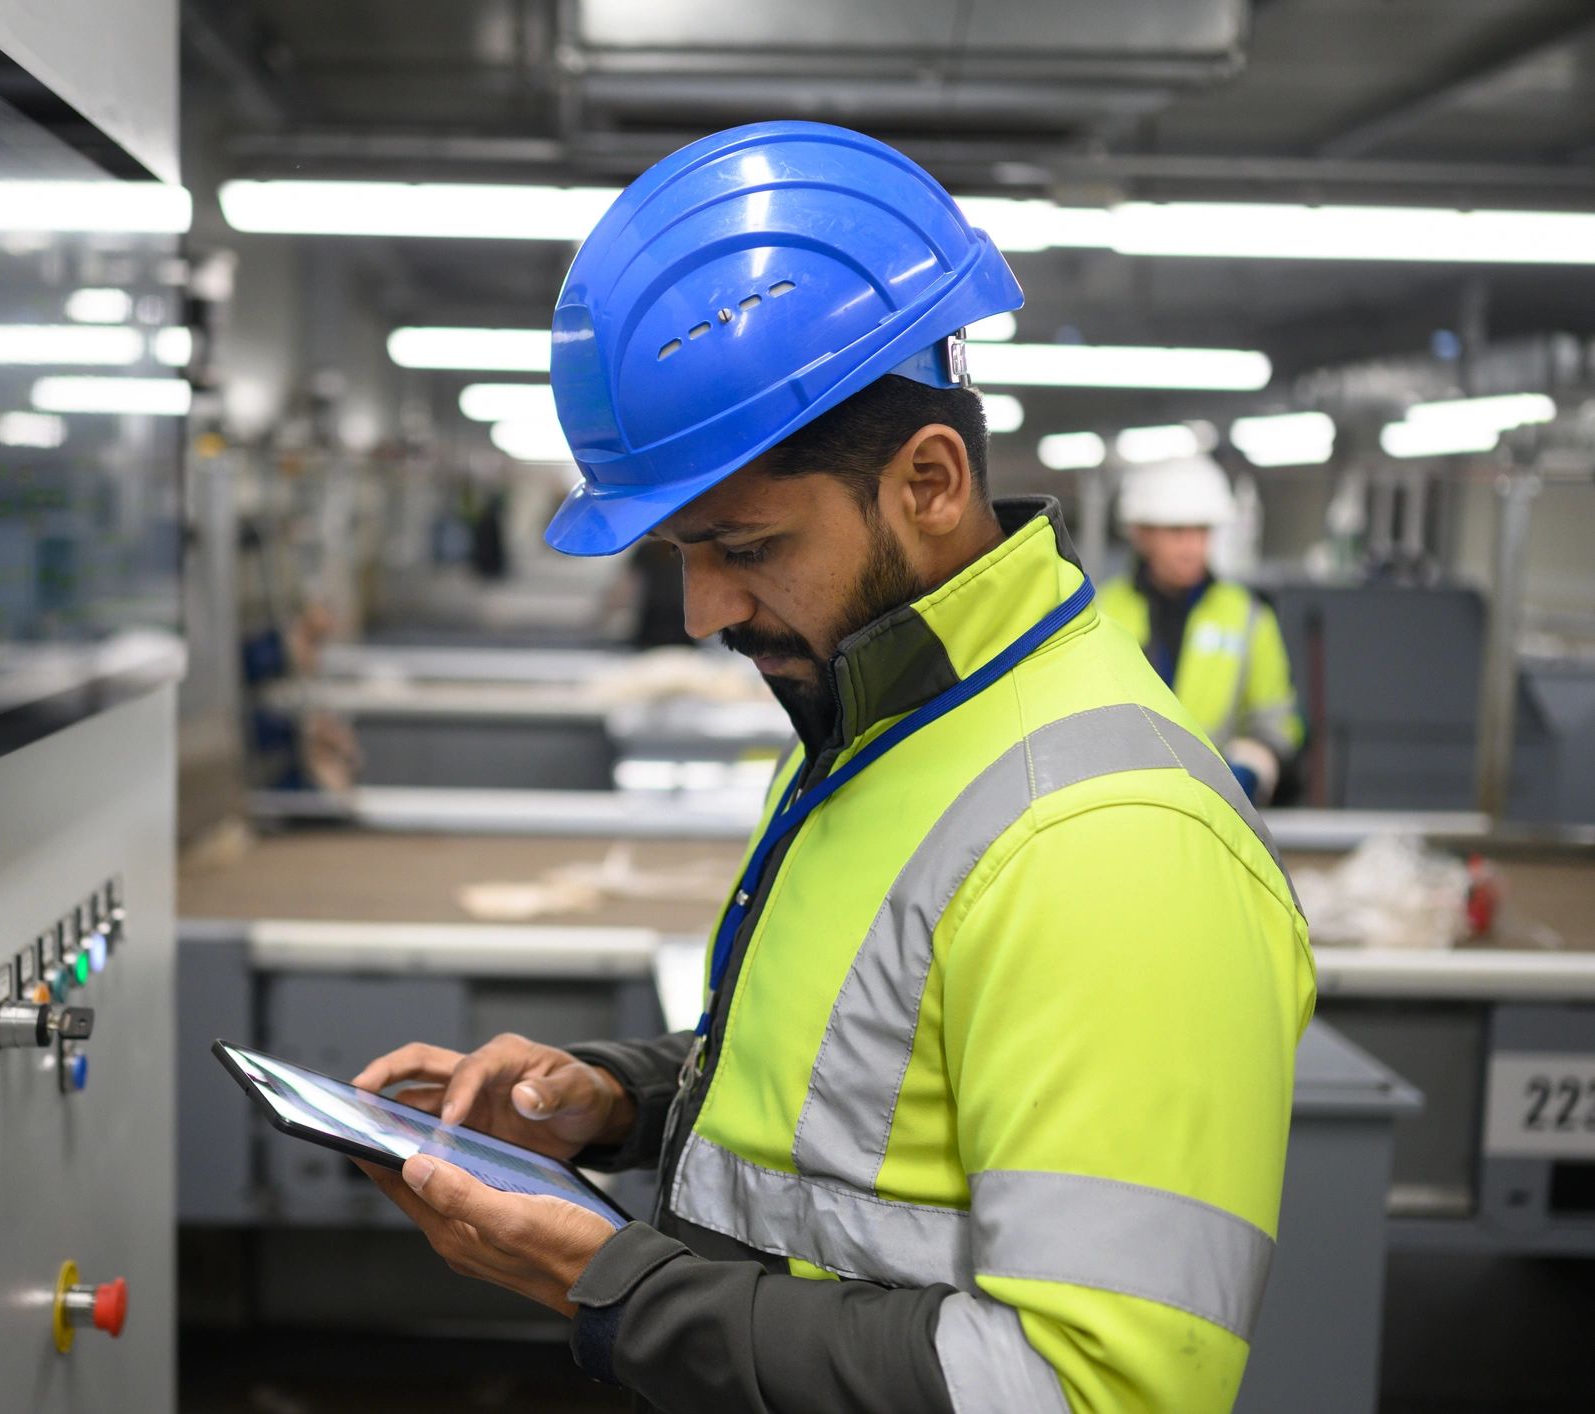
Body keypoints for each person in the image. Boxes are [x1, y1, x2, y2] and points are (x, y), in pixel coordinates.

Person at [353, 121, 1315, 1413]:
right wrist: (622, 1100)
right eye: (679, 549)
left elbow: (1092, 1389)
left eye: (741, 544)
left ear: (928, 481)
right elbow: (861, 1092)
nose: (699, 608)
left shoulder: (1111, 839)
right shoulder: (882, 717)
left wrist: (624, 1285)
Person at [1096, 457, 1305, 804]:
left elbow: (1277, 726)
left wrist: (1251, 770)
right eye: (1177, 531)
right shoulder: (1101, 611)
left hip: (1216, 806)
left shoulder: (1249, 617)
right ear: (1141, 533)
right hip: (1122, 801)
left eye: (1202, 530)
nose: (1192, 547)